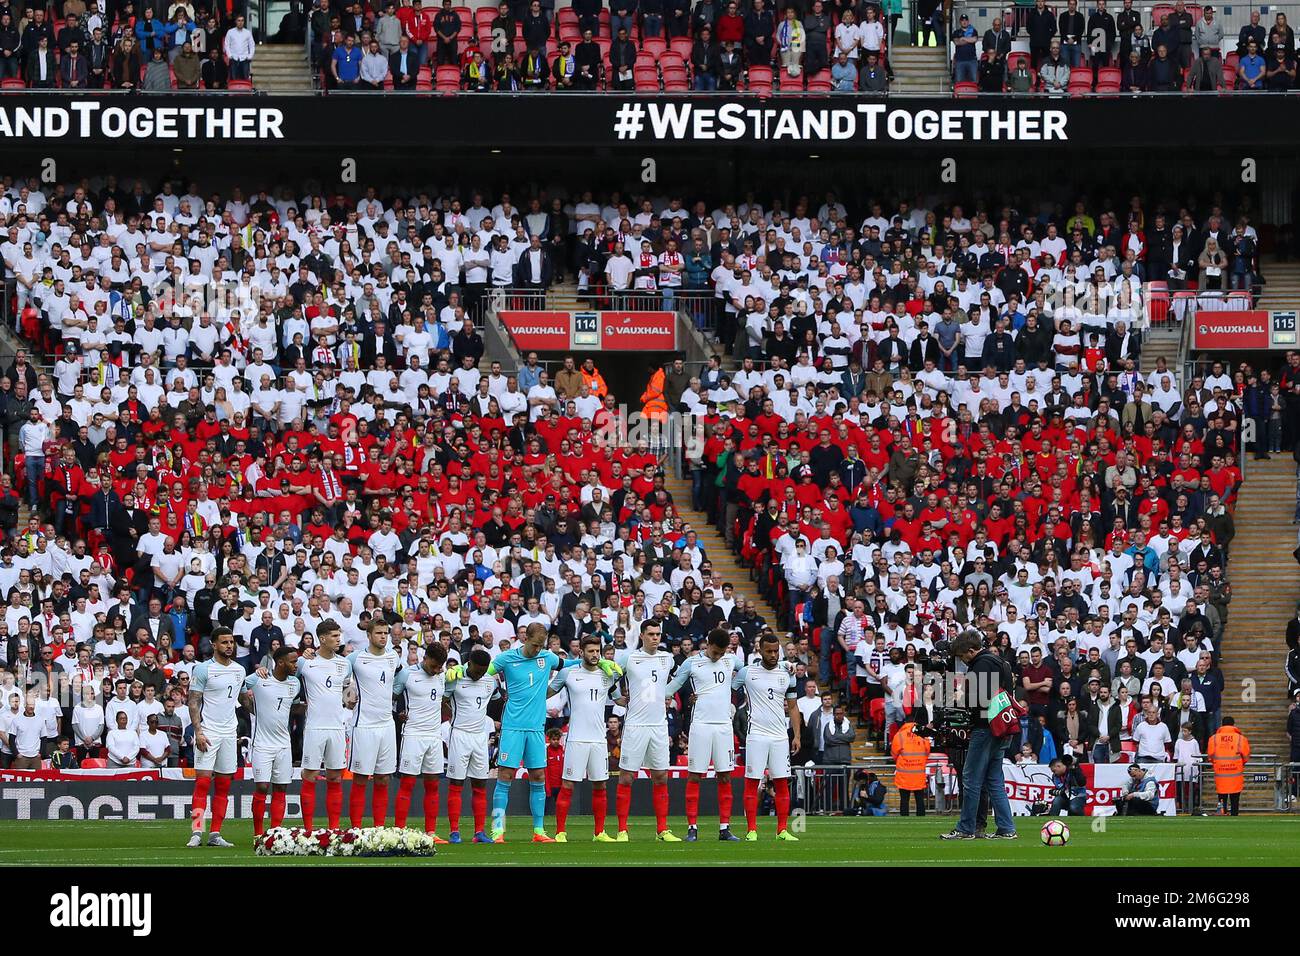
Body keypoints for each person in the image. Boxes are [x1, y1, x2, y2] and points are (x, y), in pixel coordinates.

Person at [465, 621, 607, 842]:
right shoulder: (506, 658)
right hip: (512, 726)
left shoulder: (547, 657)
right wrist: (462, 670)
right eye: (534, 645)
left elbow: (570, 663)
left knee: (538, 776)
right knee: (505, 776)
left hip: (536, 728)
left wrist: (601, 663)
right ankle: (498, 829)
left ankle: (539, 831)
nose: (537, 649)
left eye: (541, 645)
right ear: (524, 639)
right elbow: (482, 673)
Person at [666, 627, 743, 841]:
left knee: (725, 775)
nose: (718, 656)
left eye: (722, 652)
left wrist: (732, 688)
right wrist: (657, 695)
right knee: (695, 775)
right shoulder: (692, 663)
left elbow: (746, 672)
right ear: (707, 644)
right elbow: (674, 684)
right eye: (715, 652)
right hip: (700, 725)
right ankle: (692, 827)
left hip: (723, 726)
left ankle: (724, 828)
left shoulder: (730, 660)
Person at [941, 631, 1017, 840]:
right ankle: (1006, 828)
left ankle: (966, 828)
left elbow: (980, 700)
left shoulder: (981, 664)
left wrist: (961, 700)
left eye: (963, 656)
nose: (964, 662)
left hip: (986, 729)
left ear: (971, 651)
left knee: (971, 778)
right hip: (1003, 727)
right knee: (994, 780)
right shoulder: (1000, 662)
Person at [612, 620, 682, 841]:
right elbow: (609, 678)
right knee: (626, 777)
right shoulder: (629, 658)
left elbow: (682, 676)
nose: (655, 638)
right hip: (635, 725)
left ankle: (662, 829)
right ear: (641, 635)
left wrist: (667, 692)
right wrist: (618, 699)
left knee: (661, 776)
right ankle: (622, 829)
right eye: (651, 634)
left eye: (658, 634)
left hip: (659, 726)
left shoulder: (667, 658)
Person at [550, 634, 618, 842]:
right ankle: (560, 832)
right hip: (576, 739)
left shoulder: (608, 675)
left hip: (598, 739)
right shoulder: (568, 673)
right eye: (591, 651)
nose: (595, 654)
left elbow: (620, 699)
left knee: (601, 785)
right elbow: (546, 693)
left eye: (598, 650)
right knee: (568, 785)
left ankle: (600, 833)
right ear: (581, 652)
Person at [735, 631, 801, 841]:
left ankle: (782, 830)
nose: (773, 654)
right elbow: (729, 690)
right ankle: (751, 830)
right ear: (760, 651)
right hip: (756, 734)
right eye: (769, 651)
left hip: (780, 736)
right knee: (752, 782)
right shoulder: (747, 672)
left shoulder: (787, 673)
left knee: (782, 782)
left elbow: (793, 707)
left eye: (776, 651)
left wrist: (796, 735)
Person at [186, 626, 243, 847]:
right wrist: (198, 731)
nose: (229, 646)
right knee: (202, 782)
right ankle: (197, 832)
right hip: (208, 731)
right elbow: (193, 701)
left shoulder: (239, 669)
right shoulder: (203, 669)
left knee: (223, 785)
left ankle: (215, 834)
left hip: (230, 733)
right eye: (225, 642)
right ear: (214, 645)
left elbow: (244, 699)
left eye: (231, 642)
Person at [296, 619, 351, 832]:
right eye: (335, 636)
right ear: (322, 639)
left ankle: (334, 829)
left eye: (340, 635)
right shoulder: (304, 662)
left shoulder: (344, 664)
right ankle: (308, 829)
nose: (339, 640)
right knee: (309, 775)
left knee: (335, 777)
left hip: (337, 727)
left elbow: (347, 691)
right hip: (314, 727)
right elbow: (284, 674)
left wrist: (350, 699)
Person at [346, 619, 401, 828]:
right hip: (364, 724)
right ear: (369, 635)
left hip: (387, 724)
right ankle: (356, 829)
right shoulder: (356, 657)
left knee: (383, 779)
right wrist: (346, 696)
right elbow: (338, 673)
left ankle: (379, 828)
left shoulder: (393, 657)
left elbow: (400, 677)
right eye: (379, 633)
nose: (383, 637)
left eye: (386, 633)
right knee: (360, 779)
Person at [392, 641, 449, 840]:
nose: (436, 670)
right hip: (413, 734)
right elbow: (391, 696)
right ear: (425, 658)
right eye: (433, 665)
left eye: (439, 667)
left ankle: (431, 832)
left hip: (434, 736)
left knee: (433, 784)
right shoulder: (407, 674)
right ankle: (399, 831)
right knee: (407, 783)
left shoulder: (442, 676)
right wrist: (397, 712)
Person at [242, 645, 301, 836]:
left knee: (281, 787)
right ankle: (258, 834)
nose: (296, 665)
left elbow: (293, 707)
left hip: (284, 745)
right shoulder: (259, 679)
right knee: (262, 786)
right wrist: (252, 707)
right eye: (292, 661)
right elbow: (239, 686)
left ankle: (275, 832)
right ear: (281, 662)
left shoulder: (295, 684)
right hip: (262, 744)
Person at [444, 648, 496, 843]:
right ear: (469, 664)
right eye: (477, 671)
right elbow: (441, 698)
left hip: (480, 737)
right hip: (459, 735)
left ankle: (479, 832)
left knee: (480, 784)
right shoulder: (454, 678)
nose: (479, 674)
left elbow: (498, 699)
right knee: (457, 783)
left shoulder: (489, 681)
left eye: (483, 671)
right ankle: (454, 831)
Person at [1206, 716, 1250, 815]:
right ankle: (1234, 815)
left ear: (1222, 724)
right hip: (1235, 774)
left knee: (1222, 799)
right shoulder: (1240, 738)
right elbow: (1246, 756)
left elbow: (1210, 756)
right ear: (1233, 725)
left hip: (1220, 774)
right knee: (1235, 800)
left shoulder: (1213, 738)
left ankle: (1222, 814)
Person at [890, 718, 931, 816]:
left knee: (904, 800)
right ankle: (921, 822)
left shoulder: (899, 735)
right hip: (919, 773)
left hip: (904, 774)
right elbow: (927, 751)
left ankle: (904, 822)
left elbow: (894, 753)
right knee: (920, 799)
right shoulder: (923, 734)